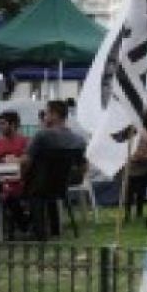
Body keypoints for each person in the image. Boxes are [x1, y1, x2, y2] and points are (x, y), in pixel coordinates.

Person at [20, 100, 87, 239]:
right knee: (45, 190)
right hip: (61, 185)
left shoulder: (42, 136)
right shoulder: (78, 140)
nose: (44, 117)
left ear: (54, 115)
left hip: (38, 186)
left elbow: (26, 161)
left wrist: (22, 176)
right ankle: (55, 230)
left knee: (28, 190)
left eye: (46, 113)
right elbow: (83, 166)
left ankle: (36, 231)